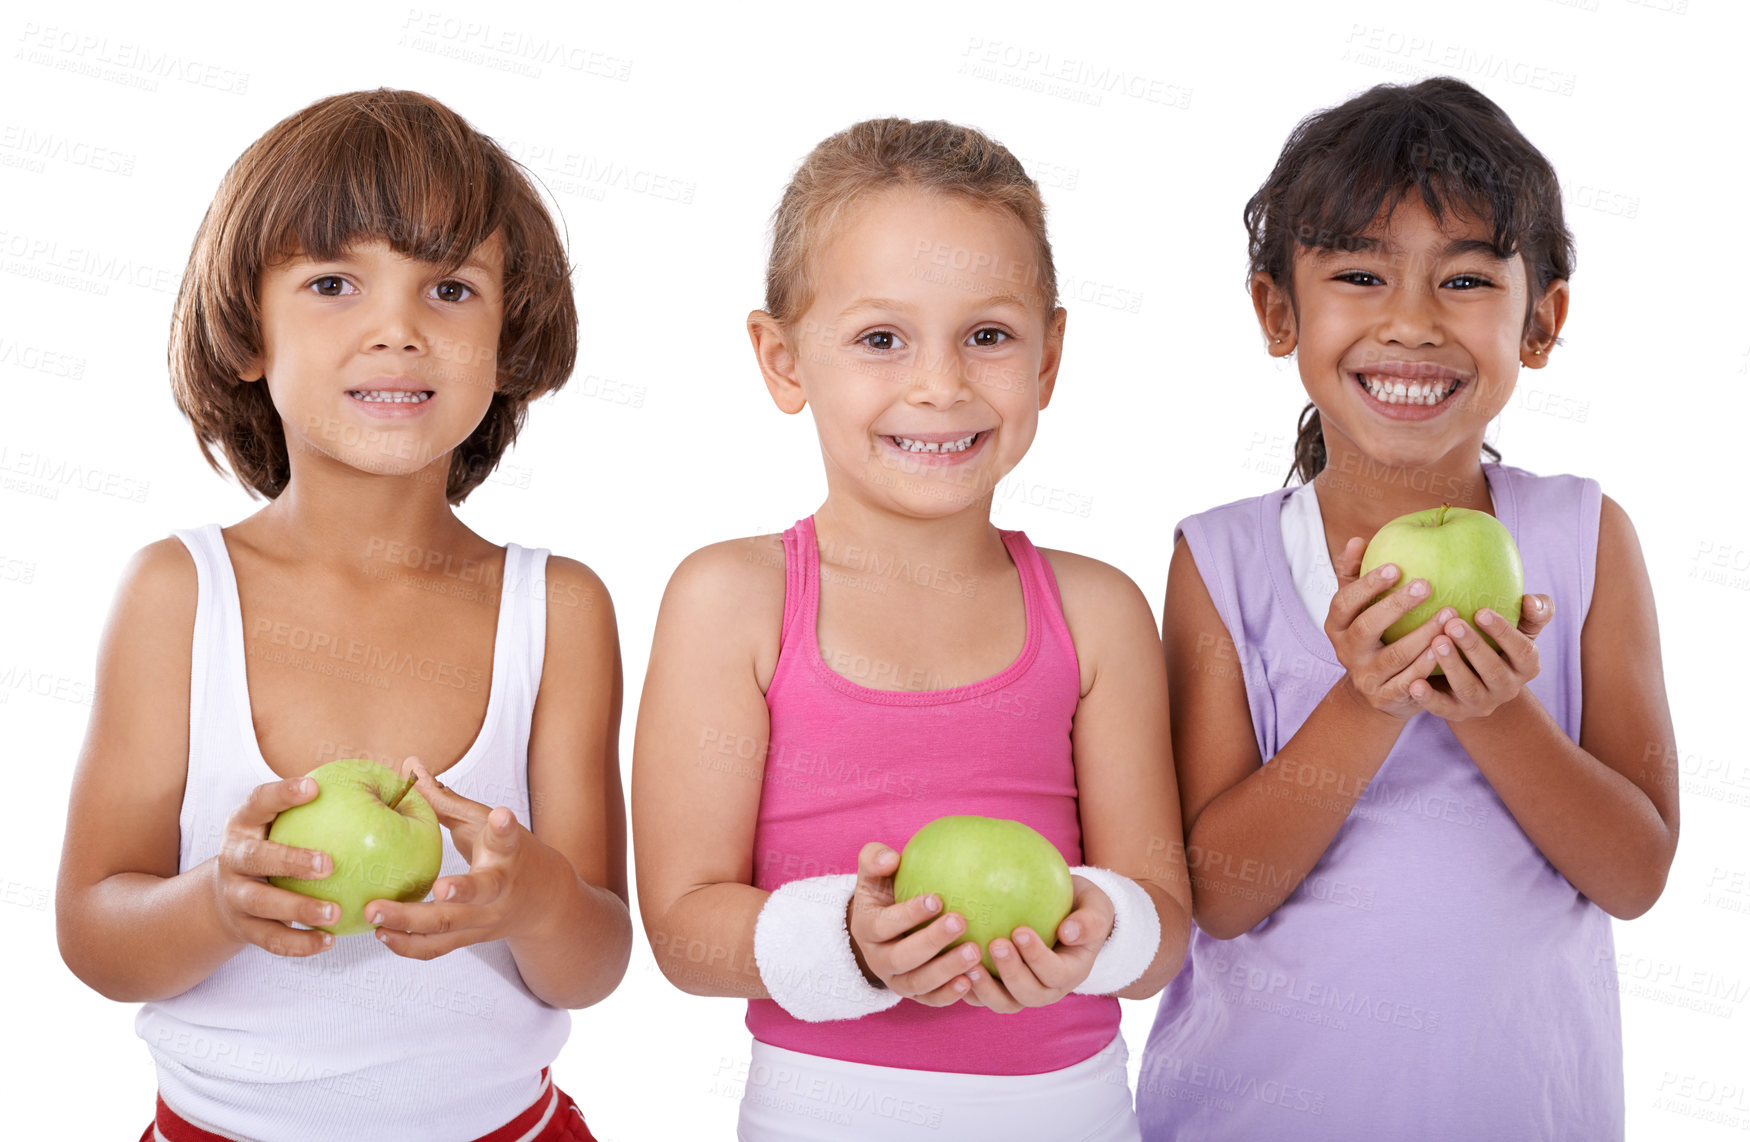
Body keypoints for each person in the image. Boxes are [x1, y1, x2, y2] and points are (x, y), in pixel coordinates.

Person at [55, 89, 629, 1142]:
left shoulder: (560, 609)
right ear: (247, 335)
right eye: (332, 282)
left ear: (509, 342)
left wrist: (532, 897)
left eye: (449, 288)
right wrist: (216, 902)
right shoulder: (178, 595)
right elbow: (95, 934)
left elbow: (593, 958)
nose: (398, 329)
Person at [1136, 77, 1678, 1141]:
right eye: (1357, 273)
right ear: (1275, 309)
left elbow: (1634, 872)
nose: (1411, 322)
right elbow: (1220, 894)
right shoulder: (1223, 557)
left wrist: (1490, 710)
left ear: (1541, 320)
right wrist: (1366, 702)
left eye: (1466, 278)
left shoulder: (1581, 538)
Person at [632, 116, 1193, 1141]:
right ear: (782, 357)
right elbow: (680, 928)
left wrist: (1099, 929)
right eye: (881, 338)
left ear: (1049, 356)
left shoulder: (1097, 610)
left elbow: (1161, 927)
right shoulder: (732, 599)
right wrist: (847, 938)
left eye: (988, 335)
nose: (940, 384)